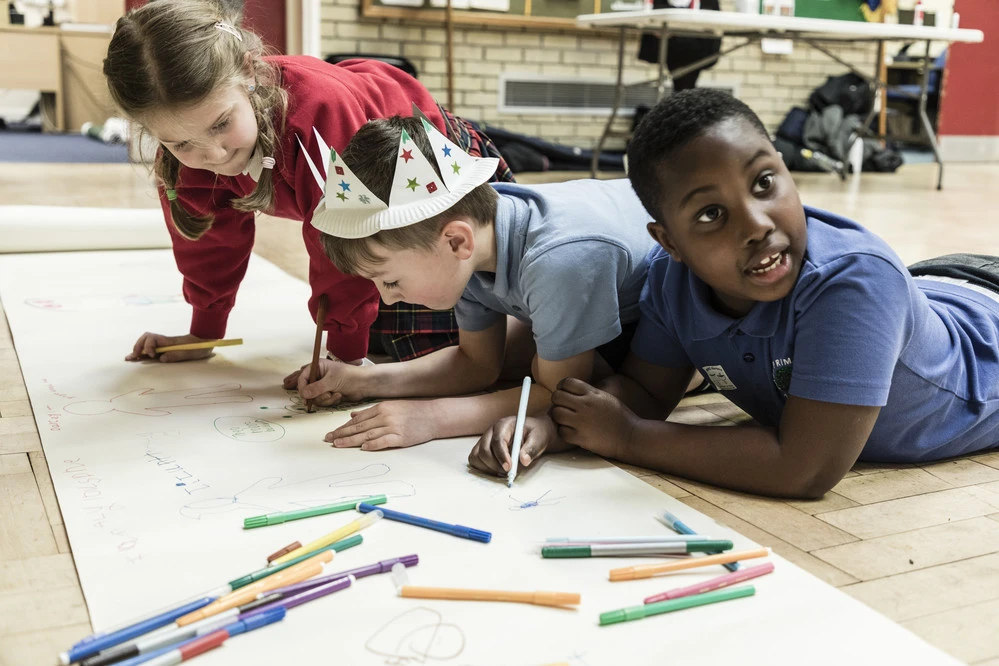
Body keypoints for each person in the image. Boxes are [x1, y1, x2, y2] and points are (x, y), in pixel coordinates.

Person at [539, 89, 999, 499]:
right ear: (670, 243)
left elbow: (803, 469)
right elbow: (643, 392)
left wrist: (631, 438)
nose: (757, 224)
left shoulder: (853, 284)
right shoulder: (671, 280)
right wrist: (546, 426)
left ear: (785, 167)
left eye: (763, 182)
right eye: (711, 213)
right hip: (937, 288)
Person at [102, 0, 513, 372]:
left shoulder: (317, 113)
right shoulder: (184, 158)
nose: (212, 154)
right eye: (182, 143)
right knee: (379, 327)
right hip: (377, 220)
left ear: (249, 73)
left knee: (416, 346)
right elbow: (209, 243)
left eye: (221, 124)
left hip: (437, 173)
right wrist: (205, 332)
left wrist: (345, 356)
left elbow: (343, 234)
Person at [296, 114, 656, 474]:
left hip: (674, 310)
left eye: (390, 281)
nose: (387, 299)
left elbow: (556, 393)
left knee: (574, 382)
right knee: (529, 358)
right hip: (603, 297)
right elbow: (477, 364)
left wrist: (432, 418)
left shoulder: (558, 260)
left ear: (456, 240)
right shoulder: (469, 248)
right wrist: (361, 381)